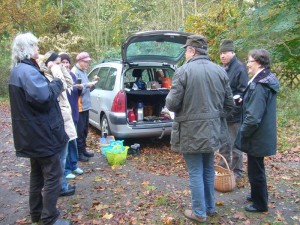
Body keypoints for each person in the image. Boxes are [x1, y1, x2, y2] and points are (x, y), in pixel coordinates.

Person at [166, 35, 234, 223]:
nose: (185, 54)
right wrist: (215, 116)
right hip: (213, 130)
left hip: (191, 131)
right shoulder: (220, 71)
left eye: (186, 50)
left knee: (196, 171)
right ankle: (209, 208)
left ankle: (199, 212)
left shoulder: (183, 71)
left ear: (192, 51)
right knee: (208, 169)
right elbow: (229, 104)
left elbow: (171, 104)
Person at [9, 32, 72, 225]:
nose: (38, 49)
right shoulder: (27, 72)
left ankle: (37, 214)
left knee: (37, 175)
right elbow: (44, 98)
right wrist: (56, 83)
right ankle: (49, 219)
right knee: (53, 175)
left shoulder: (20, 70)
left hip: (31, 135)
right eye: (35, 46)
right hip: (42, 135)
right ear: (28, 49)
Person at [235, 49, 279, 213]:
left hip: (257, 135)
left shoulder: (260, 85)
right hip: (260, 133)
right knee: (255, 167)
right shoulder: (263, 80)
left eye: (250, 61)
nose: (247, 64)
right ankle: (256, 195)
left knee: (256, 170)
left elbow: (253, 117)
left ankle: (260, 203)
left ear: (259, 63)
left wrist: (243, 132)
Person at [40, 51, 76, 197]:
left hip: (65, 120)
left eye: (62, 63)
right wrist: (55, 69)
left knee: (64, 155)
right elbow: (60, 85)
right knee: (60, 157)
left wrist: (61, 68)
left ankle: (62, 185)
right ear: (49, 63)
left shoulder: (55, 72)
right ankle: (60, 187)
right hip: (58, 121)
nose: (61, 65)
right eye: (58, 63)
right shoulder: (46, 76)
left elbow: (69, 83)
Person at [219, 39, 248, 179]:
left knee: (235, 144)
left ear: (232, 52)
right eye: (221, 54)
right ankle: (222, 168)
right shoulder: (223, 68)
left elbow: (243, 92)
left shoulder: (239, 68)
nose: (222, 56)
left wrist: (233, 104)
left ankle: (237, 172)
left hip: (235, 114)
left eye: (225, 53)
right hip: (223, 113)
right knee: (223, 143)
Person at [59, 53, 84, 179]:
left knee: (73, 141)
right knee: (66, 142)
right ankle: (66, 169)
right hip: (64, 115)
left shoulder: (72, 75)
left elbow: (76, 94)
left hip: (73, 112)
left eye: (67, 62)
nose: (65, 64)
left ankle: (74, 165)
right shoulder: (58, 77)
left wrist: (79, 88)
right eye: (62, 62)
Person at [71, 52, 98, 162]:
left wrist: (94, 83)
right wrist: (88, 85)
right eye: (86, 62)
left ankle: (83, 150)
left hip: (86, 106)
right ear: (80, 61)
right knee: (80, 131)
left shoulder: (84, 72)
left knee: (85, 130)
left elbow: (87, 89)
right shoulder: (74, 73)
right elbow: (76, 90)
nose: (87, 64)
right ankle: (79, 153)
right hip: (79, 106)